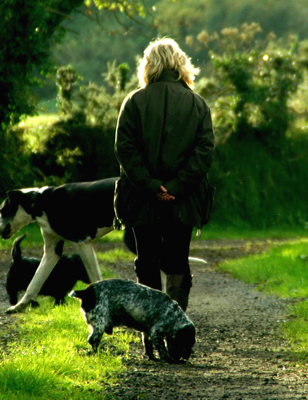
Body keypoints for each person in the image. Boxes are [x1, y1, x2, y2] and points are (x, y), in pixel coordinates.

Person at [113, 38, 215, 311]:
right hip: (184, 200)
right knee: (178, 261)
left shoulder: (133, 102)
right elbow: (204, 151)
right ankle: (176, 329)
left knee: (146, 260)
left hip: (141, 198)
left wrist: (152, 186)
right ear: (180, 64)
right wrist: (175, 187)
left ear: (148, 66)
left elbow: (125, 149)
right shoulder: (197, 104)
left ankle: (150, 329)